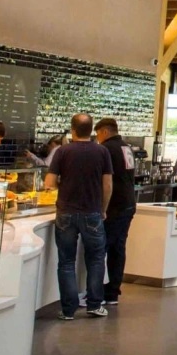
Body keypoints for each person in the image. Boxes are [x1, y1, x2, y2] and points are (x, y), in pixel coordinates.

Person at [44, 114, 113, 320]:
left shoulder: (62, 151)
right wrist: (103, 208)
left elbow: (49, 182)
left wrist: (62, 187)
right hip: (92, 211)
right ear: (92, 130)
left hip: (65, 212)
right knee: (96, 259)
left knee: (66, 261)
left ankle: (68, 310)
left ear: (72, 130)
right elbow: (108, 185)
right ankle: (94, 304)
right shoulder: (102, 151)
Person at [95, 119, 136, 306]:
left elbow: (105, 181)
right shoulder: (126, 147)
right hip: (128, 202)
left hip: (115, 205)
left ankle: (97, 292)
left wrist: (102, 207)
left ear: (103, 132)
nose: (97, 139)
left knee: (102, 249)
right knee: (118, 248)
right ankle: (113, 291)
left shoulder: (106, 149)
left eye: (97, 135)